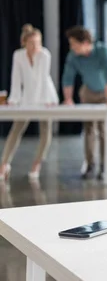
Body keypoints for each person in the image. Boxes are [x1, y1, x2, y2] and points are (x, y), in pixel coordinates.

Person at [0, 24, 59, 180]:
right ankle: (4, 163)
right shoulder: (18, 55)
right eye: (32, 43)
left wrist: (42, 103)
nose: (35, 46)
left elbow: (42, 80)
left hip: (46, 97)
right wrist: (14, 100)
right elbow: (16, 79)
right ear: (24, 42)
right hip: (27, 98)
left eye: (38, 42)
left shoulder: (45, 55)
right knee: (16, 130)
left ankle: (37, 163)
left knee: (46, 131)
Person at [62, 26, 107, 180]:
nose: (72, 47)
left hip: (105, 91)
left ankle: (105, 166)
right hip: (88, 92)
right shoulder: (73, 56)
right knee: (89, 130)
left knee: (103, 130)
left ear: (85, 42)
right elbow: (68, 78)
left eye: (74, 44)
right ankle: (90, 164)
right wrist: (68, 99)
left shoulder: (102, 51)